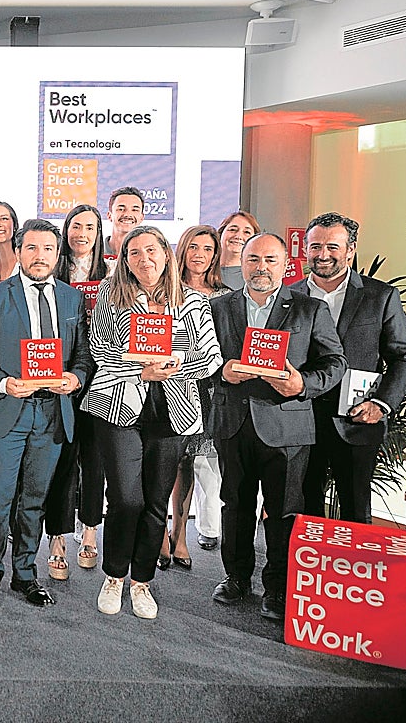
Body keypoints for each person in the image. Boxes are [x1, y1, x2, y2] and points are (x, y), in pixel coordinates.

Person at [80, 225, 222, 619]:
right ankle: (114, 575)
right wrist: (142, 370)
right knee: (127, 499)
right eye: (135, 253)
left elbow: (210, 358)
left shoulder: (192, 301)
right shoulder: (112, 295)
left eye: (151, 251)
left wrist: (172, 368)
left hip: (172, 412)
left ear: (166, 253)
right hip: (117, 405)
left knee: (156, 503)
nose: (145, 260)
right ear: (125, 260)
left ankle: (141, 582)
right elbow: (100, 350)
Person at [210, 232, 346, 622]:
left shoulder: (309, 309)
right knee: (234, 504)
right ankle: (236, 577)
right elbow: (197, 360)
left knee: (284, 511)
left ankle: (277, 587)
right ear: (242, 263)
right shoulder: (218, 307)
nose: (261, 267)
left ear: (285, 265)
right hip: (233, 423)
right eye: (253, 259)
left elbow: (335, 362)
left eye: (270, 260)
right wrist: (222, 373)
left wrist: (303, 383)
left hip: (287, 428)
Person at [0, 219, 93, 610]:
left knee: (35, 500)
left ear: (59, 254)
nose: (40, 257)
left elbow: (83, 355)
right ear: (19, 252)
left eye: (48, 250)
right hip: (7, 412)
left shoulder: (72, 299)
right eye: (33, 249)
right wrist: (4, 383)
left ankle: (25, 574)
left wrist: (74, 378)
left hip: (53, 415)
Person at [292, 212, 406, 524]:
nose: (323, 255)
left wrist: (381, 404)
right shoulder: (288, 295)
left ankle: (349, 573)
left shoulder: (380, 296)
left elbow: (403, 358)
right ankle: (306, 573)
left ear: (351, 249)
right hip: (297, 417)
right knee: (302, 509)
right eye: (315, 246)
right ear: (305, 248)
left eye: (333, 247)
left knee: (355, 509)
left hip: (358, 418)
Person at [157, 225, 231, 570]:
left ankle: (180, 534)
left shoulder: (226, 296)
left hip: (206, 388)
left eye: (208, 249)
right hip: (165, 381)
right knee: (164, 459)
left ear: (216, 255)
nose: (200, 255)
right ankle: (158, 532)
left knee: (188, 462)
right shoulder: (163, 290)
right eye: (193, 247)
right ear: (181, 250)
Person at [43, 203, 109, 579]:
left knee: (95, 459)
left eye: (89, 227)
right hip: (60, 372)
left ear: (99, 233)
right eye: (75, 226)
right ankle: (56, 536)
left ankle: (89, 530)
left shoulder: (112, 272)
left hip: (102, 374)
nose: (81, 234)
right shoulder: (53, 268)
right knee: (63, 459)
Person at [216, 211, 260, 291]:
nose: (238, 236)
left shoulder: (256, 276)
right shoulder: (202, 269)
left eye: (247, 232)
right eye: (233, 229)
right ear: (220, 233)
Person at [104, 186, 145, 259]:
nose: (127, 214)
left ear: (141, 217)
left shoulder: (146, 257)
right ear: (109, 216)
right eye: (121, 209)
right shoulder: (93, 253)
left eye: (134, 210)